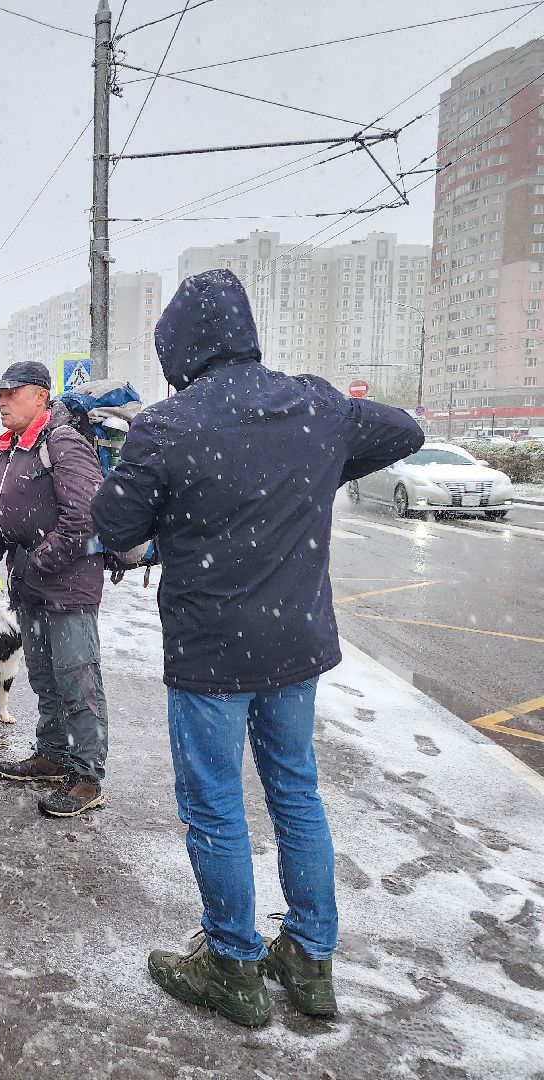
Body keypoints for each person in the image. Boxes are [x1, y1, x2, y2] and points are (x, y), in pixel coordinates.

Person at [92, 269, 424, 1027]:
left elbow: (115, 530)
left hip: (212, 652)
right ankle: (310, 961)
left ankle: (234, 967)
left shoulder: (169, 425)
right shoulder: (314, 405)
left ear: (178, 348)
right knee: (296, 797)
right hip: (294, 647)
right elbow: (406, 430)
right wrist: (323, 461)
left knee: (215, 809)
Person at [0, 360, 109, 818]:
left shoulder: (64, 442)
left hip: (68, 586)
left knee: (77, 678)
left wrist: (40, 563)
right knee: (45, 677)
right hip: (29, 586)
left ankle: (87, 777)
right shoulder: (8, 448)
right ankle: (51, 755)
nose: (1, 401)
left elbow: (85, 516)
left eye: (12, 393)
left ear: (41, 396)